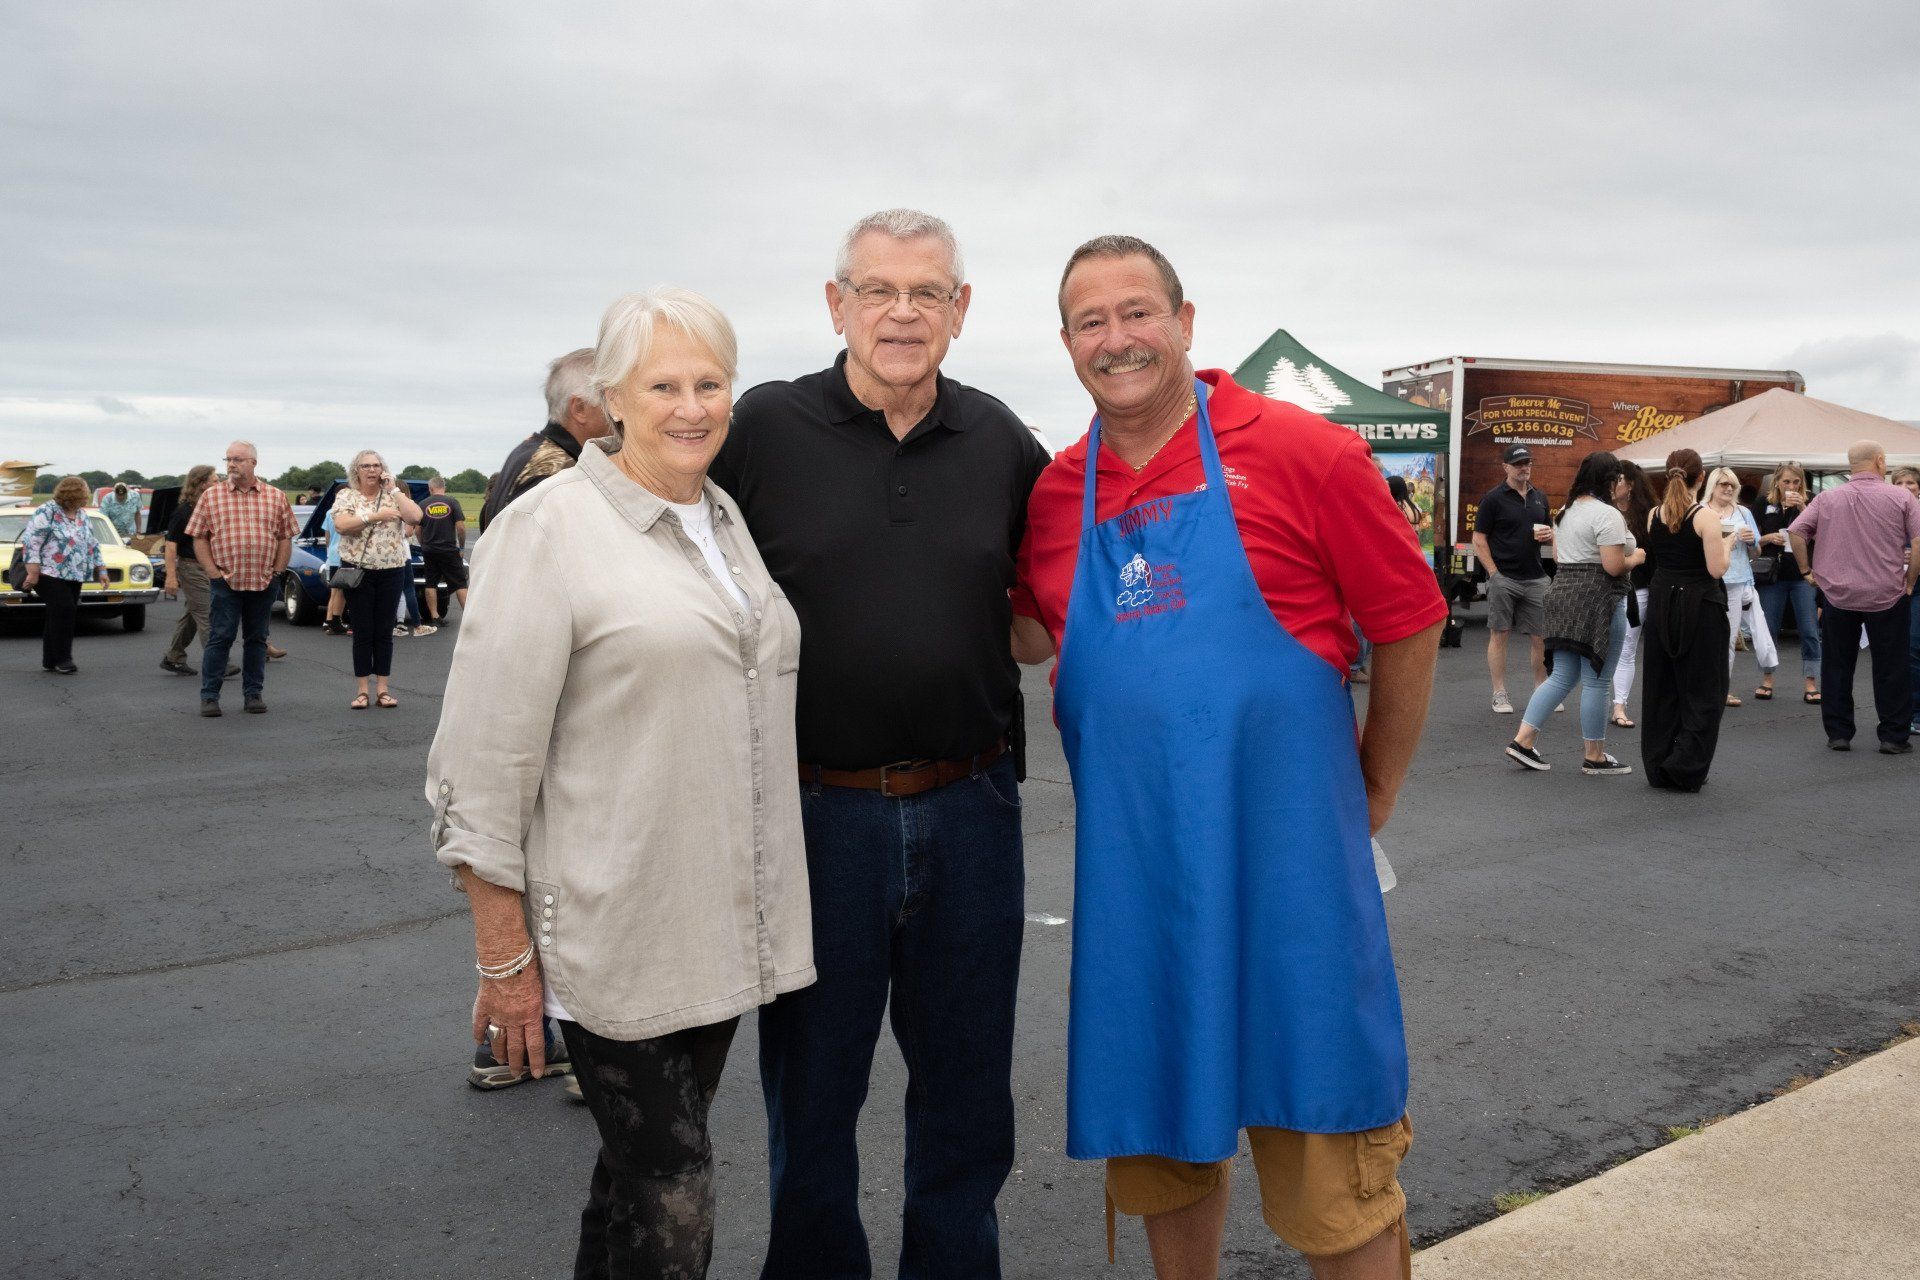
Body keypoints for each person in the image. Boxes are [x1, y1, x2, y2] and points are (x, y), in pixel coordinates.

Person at [1012, 235, 1445, 1280]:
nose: (1116, 339)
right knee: (1165, 1159)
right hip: (1139, 900)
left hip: (1288, 882)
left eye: (1136, 312)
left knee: (1333, 1172)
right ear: (1066, 342)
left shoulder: (1307, 451)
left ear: (1185, 319)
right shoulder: (1056, 493)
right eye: (1090, 320)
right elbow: (1026, 633)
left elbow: (1411, 616)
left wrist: (1376, 780)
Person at [427, 288, 813, 1279]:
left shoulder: (719, 517)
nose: (691, 406)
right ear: (611, 400)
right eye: (663, 385)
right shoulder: (549, 528)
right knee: (674, 1183)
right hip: (610, 924)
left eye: (709, 382)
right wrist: (504, 955)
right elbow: (482, 756)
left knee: (632, 1175)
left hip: (717, 917)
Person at [709, 209, 1048, 1280]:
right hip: (812, 816)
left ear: (960, 309)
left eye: (927, 292)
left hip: (972, 805)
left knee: (965, 1094)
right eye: (879, 290)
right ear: (836, 303)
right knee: (810, 1094)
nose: (903, 312)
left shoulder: (1001, 440)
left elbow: (1048, 604)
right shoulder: (761, 427)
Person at [1503, 452, 1643, 775]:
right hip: (1599, 599)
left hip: (1562, 595)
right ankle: (1594, 756)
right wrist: (1637, 557)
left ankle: (1523, 740)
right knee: (1598, 680)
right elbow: (1613, 566)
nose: (1621, 483)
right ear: (1609, 480)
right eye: (1618, 478)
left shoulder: (1565, 512)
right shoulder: (1607, 515)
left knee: (1563, 675)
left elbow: (1560, 555)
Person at [1787, 440, 1920, 754]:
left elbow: (1796, 531)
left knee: (1837, 665)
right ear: (1879, 460)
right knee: (1892, 667)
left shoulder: (1827, 497)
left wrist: (1807, 570)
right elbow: (1918, 542)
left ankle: (1839, 733)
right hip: (1887, 592)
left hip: (1838, 594)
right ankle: (1892, 735)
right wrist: (1910, 581)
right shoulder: (1902, 496)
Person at [1640, 449, 1733, 790]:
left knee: (1661, 687)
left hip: (1662, 601)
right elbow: (1716, 569)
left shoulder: (1653, 514)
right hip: (1699, 606)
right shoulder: (1706, 517)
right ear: (1702, 477)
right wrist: (1730, 543)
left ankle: (1659, 764)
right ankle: (1686, 767)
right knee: (1705, 689)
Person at [186, 441, 296, 716]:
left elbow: (285, 537)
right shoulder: (212, 496)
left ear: (253, 463)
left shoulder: (275, 496)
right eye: (228, 459)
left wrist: (278, 573)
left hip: (263, 580)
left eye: (237, 459)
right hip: (226, 582)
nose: (231, 464)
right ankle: (210, 697)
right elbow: (199, 538)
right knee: (220, 638)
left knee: (257, 640)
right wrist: (213, 573)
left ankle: (253, 694)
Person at [476, 348, 613, 533]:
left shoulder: (528, 450)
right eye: (611, 401)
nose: (620, 415)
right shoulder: (557, 470)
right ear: (579, 408)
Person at [331, 451, 422, 710]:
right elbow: (342, 525)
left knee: (384, 631)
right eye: (366, 466)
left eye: (376, 465)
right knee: (362, 630)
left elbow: (415, 517)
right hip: (358, 571)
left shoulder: (393, 496)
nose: (372, 470)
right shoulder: (347, 495)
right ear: (356, 470)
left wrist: (395, 491)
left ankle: (383, 689)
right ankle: (362, 690)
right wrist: (375, 516)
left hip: (391, 570)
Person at [1473, 444, 1552, 714]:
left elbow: (1550, 531)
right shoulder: (1493, 498)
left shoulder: (1540, 497)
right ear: (1505, 467)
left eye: (1527, 462)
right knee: (1500, 634)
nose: (1524, 467)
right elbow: (1479, 539)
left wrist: (1549, 536)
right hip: (1504, 577)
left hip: (1536, 577)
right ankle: (1499, 693)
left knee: (1541, 636)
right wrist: (1493, 574)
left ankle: (1542, 690)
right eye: (1518, 463)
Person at [19, 476, 112, 673]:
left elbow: (92, 543)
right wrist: (33, 572)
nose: (87, 497)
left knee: (57, 612)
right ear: (74, 494)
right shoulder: (47, 511)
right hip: (48, 572)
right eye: (84, 493)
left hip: (75, 573)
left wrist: (101, 570)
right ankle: (64, 659)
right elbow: (31, 541)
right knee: (64, 609)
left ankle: (50, 660)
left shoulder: (82, 515)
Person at [1703, 468, 1778, 707]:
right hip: (1707, 581)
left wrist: (1751, 542)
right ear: (1712, 486)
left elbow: (1756, 551)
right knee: (1704, 638)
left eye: (1732, 485)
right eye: (1723, 484)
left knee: (1727, 638)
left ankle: (1721, 690)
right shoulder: (1702, 512)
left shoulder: (1744, 513)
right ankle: (1701, 689)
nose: (1727, 489)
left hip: (1736, 582)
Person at [1752, 463, 1821, 704]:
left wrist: (1803, 507)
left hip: (1802, 574)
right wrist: (1769, 537)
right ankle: (1767, 679)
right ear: (1777, 483)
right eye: (1786, 482)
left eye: (1796, 482)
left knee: (1809, 629)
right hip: (1772, 575)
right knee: (1769, 628)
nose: (1791, 487)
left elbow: (1820, 533)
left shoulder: (1811, 503)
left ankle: (1811, 682)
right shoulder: (1763, 504)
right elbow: (1751, 538)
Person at [159, 465, 234, 677]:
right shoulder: (183, 511)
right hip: (191, 567)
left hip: (208, 566)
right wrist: (171, 577)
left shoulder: (208, 507)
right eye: (214, 480)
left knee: (193, 615)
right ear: (201, 484)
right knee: (208, 614)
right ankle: (219, 662)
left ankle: (173, 656)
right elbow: (171, 545)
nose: (218, 484)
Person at [1609, 461, 1660, 728]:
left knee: (1627, 649)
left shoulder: (1647, 515)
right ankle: (1609, 703)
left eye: (1617, 480)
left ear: (1629, 485)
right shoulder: (1605, 511)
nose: (1612, 484)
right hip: (1608, 588)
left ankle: (1619, 706)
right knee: (1609, 649)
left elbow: (1654, 556)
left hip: (1638, 590)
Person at [416, 476, 469, 623]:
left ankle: (434, 615)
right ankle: (468, 615)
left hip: (430, 550)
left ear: (431, 488)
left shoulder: (422, 504)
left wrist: (423, 545)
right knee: (460, 583)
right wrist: (462, 546)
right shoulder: (452, 502)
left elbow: (417, 530)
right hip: (449, 550)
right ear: (443, 487)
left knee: (430, 582)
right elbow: (461, 527)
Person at [1895, 466, 1920, 737]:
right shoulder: (1889, 512)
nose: (1905, 486)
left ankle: (1914, 712)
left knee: (1912, 648)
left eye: (1910, 482)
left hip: (1916, 588)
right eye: (1899, 482)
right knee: (1898, 652)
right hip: (1891, 587)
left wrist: (1915, 555)